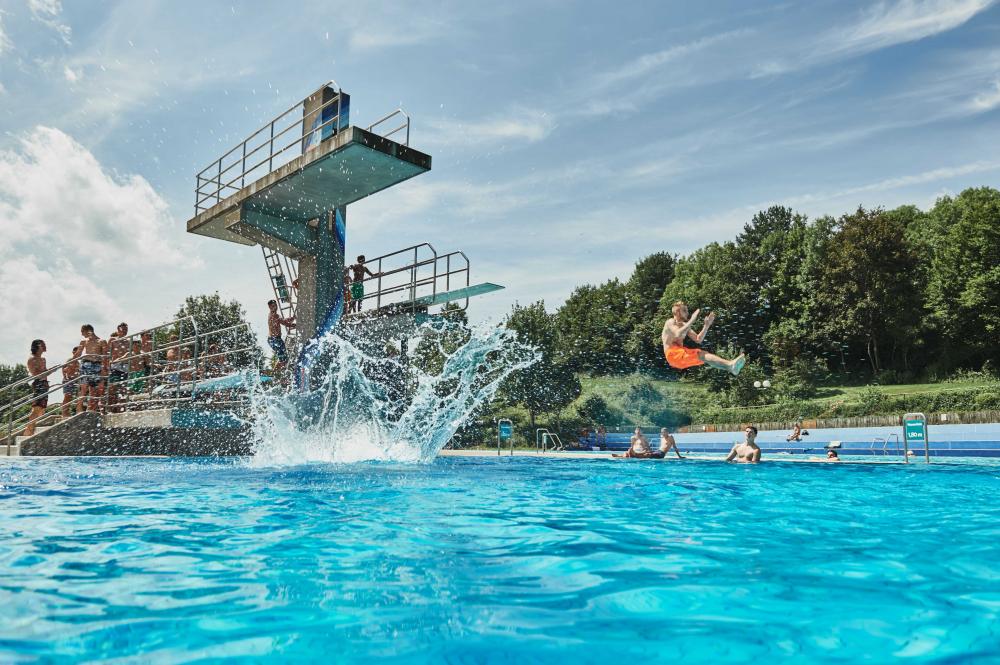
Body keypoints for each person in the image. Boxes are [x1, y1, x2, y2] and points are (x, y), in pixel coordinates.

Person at [661, 301, 745, 376]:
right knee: (701, 354)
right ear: (677, 312)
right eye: (684, 310)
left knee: (704, 356)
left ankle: (730, 368)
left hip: (679, 358)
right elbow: (677, 333)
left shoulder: (684, 325)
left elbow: (698, 339)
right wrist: (692, 319)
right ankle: (729, 365)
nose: (687, 313)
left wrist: (706, 325)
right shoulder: (670, 322)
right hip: (672, 354)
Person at [77, 324, 107, 413]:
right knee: (84, 388)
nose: (82, 334)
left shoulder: (101, 341)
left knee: (95, 389)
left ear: (88, 331)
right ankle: (79, 408)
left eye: (82, 332)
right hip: (86, 364)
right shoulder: (83, 341)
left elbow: (105, 356)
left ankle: (91, 409)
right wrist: (70, 362)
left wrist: (104, 368)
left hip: (97, 365)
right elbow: (78, 354)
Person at [25, 340, 50, 436]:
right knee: (37, 408)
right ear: (37, 346)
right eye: (43, 344)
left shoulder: (43, 359)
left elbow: (44, 372)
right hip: (38, 383)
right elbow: (36, 374)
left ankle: (31, 427)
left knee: (42, 409)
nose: (45, 346)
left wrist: (50, 371)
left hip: (44, 384)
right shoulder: (32, 359)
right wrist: (49, 372)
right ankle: (28, 430)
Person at [107, 322, 130, 412]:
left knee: (123, 389)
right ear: (118, 330)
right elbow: (107, 353)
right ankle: (111, 409)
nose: (125, 331)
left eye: (126, 329)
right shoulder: (113, 340)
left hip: (125, 366)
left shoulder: (129, 341)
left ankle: (121, 409)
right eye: (123, 329)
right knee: (112, 388)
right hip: (115, 366)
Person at [267, 300, 296, 369]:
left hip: (271, 340)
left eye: (276, 305)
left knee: (281, 358)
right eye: (273, 306)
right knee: (284, 359)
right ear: (270, 307)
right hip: (276, 340)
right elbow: (285, 323)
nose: (275, 307)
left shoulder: (271, 315)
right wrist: (295, 325)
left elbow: (282, 320)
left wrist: (292, 318)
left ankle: (274, 373)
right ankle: (279, 373)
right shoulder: (275, 315)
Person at [61, 346, 80, 418]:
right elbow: (63, 368)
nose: (77, 353)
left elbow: (78, 372)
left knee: (71, 397)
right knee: (67, 396)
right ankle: (64, 413)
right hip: (68, 380)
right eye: (76, 351)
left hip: (74, 381)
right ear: (73, 352)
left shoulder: (78, 362)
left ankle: (67, 411)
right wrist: (65, 377)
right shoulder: (70, 360)